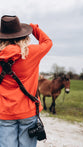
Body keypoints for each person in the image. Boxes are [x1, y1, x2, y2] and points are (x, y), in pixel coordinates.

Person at [0, 15, 52, 147]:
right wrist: (33, 28)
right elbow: (47, 42)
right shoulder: (32, 53)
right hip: (28, 111)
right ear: (23, 35)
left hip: (4, 112)